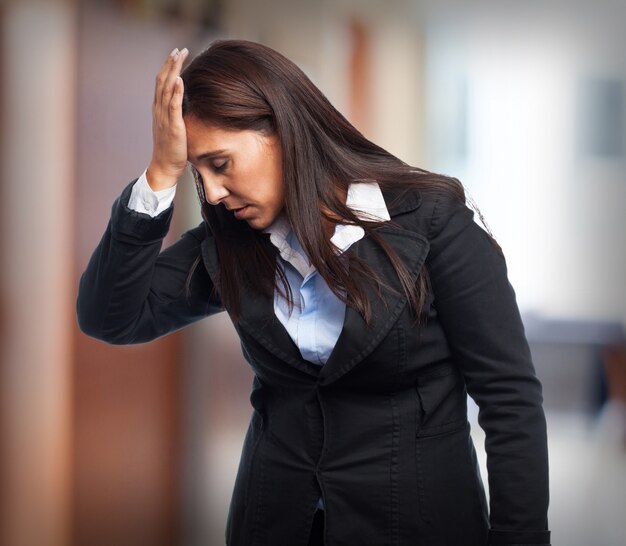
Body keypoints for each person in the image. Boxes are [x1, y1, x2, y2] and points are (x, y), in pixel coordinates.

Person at [76, 40, 551, 546]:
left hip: (417, 521)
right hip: (274, 522)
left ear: (282, 132)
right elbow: (111, 316)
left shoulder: (432, 223)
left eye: (220, 164)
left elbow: (509, 399)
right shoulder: (228, 244)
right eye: (198, 173)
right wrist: (160, 175)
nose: (211, 192)